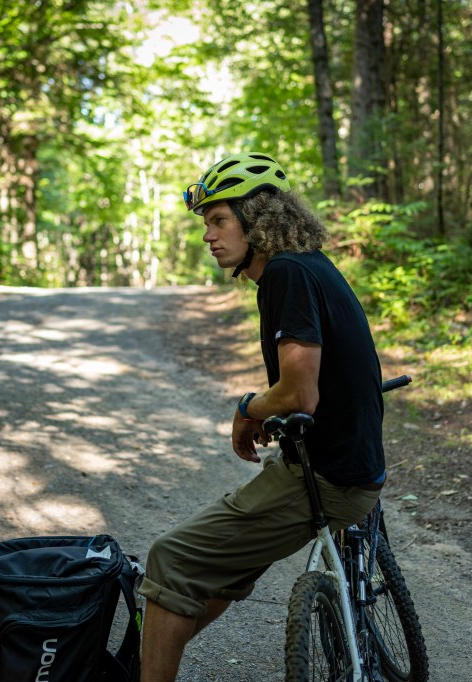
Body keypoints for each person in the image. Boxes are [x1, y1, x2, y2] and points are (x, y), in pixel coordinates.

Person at [138, 152, 387, 682]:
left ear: (257, 219)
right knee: (216, 567)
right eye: (206, 223)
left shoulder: (286, 274)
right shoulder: (308, 265)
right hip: (342, 467)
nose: (208, 235)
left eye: (218, 220)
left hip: (327, 478)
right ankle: (146, 661)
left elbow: (299, 394)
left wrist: (247, 408)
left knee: (170, 559)